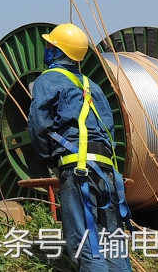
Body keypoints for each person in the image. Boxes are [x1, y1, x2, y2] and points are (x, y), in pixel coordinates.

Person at [28, 23, 132, 272]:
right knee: (112, 240)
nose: (46, 49)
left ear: (57, 51)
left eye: (49, 45)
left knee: (86, 242)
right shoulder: (92, 86)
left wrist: (50, 160)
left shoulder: (48, 80)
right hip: (107, 170)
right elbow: (109, 129)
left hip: (78, 169)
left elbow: (39, 125)